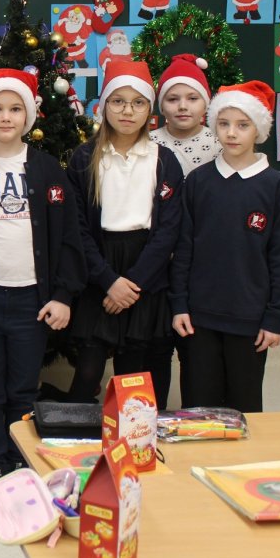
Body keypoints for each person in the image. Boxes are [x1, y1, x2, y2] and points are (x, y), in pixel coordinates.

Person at [0, 70, 86, 487]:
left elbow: (69, 237)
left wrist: (63, 295)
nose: (5, 117)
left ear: (28, 116)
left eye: (14, 109)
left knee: (23, 387)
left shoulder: (47, 170)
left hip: (31, 298)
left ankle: (19, 458)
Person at [171, 81, 280, 412]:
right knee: (199, 406)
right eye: (224, 123)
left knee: (244, 406)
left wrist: (275, 316)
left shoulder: (275, 185)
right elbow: (184, 250)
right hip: (199, 318)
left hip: (249, 318)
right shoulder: (198, 181)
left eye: (243, 125)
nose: (231, 133)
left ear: (259, 130)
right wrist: (179, 305)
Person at [66, 60, 183, 410]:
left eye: (138, 102)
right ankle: (76, 435)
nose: (127, 111)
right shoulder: (84, 159)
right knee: (88, 370)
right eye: (118, 101)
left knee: (135, 374)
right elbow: (77, 228)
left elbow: (168, 231)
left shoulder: (164, 160)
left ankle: (133, 435)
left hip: (145, 271)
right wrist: (108, 281)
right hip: (100, 269)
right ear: (103, 106)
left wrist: (133, 284)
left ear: (150, 109)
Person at [150, 54, 221, 175]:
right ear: (161, 106)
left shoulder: (219, 142)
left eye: (192, 98)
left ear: (206, 104)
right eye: (173, 99)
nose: (182, 106)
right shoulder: (148, 142)